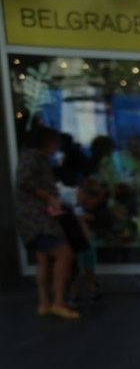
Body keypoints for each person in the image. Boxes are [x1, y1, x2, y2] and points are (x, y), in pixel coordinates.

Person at [16, 125, 79, 320]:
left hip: (33, 216)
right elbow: (24, 181)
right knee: (64, 253)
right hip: (37, 216)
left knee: (43, 257)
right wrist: (49, 198)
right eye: (54, 143)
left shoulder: (32, 157)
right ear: (47, 142)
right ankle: (59, 301)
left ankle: (45, 302)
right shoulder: (33, 157)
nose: (56, 147)